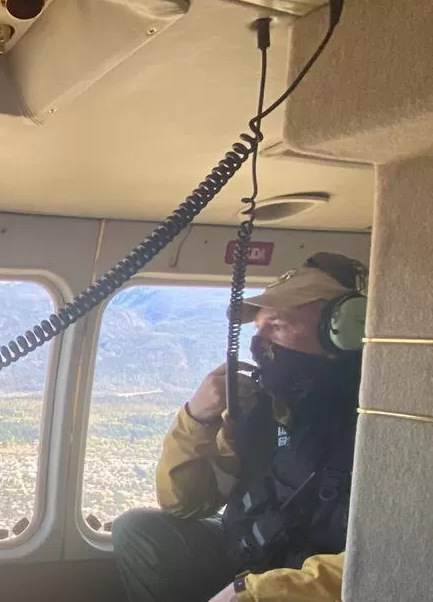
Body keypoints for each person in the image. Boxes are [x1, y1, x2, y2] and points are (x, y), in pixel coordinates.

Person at [113, 252, 365, 602]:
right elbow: (185, 504)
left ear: (346, 328)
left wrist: (255, 593)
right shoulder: (262, 407)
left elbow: (385, 559)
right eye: (259, 329)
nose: (262, 344)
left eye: (276, 326)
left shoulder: (378, 422)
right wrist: (197, 417)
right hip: (254, 554)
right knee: (139, 532)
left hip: (310, 582)